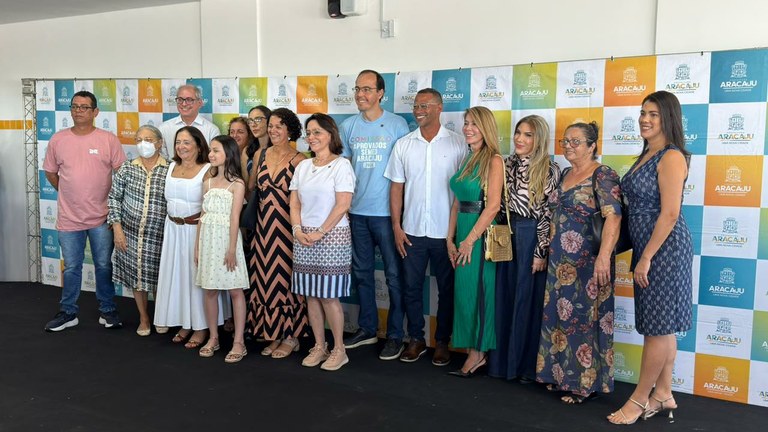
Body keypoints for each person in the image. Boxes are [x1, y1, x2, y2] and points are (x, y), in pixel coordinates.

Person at [608, 90, 692, 424]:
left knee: (657, 328)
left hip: (664, 250)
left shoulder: (671, 156)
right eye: (643, 112)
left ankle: (639, 400)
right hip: (650, 248)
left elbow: (670, 213)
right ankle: (664, 393)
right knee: (662, 325)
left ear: (668, 118)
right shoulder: (648, 153)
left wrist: (646, 258)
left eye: (653, 114)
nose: (645, 119)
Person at [536, 122, 619, 403]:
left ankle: (584, 385)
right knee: (560, 318)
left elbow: (613, 217)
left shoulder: (603, 174)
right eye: (565, 141)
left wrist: (604, 257)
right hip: (560, 262)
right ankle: (560, 377)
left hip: (589, 262)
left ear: (592, 146)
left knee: (584, 320)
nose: (569, 146)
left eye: (576, 141)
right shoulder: (565, 173)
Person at [384, 88, 467, 363]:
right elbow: (396, 188)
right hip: (412, 231)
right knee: (411, 288)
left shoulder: (458, 144)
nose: (418, 110)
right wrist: (396, 226)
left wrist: (454, 235)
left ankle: (442, 342)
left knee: (447, 290)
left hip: (447, 234)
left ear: (439, 107)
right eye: (416, 106)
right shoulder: (404, 145)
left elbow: (463, 192)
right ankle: (416, 339)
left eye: (424, 105)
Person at [43, 90, 126, 332]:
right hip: (69, 219)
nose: (78, 110)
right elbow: (50, 172)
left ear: (95, 112)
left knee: (103, 266)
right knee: (71, 267)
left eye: (84, 107)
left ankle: (108, 310)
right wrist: (69, 192)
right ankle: (68, 312)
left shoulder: (108, 140)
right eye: (74, 106)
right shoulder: (58, 139)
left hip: (102, 217)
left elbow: (121, 174)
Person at [340, 70, 410, 355]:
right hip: (357, 213)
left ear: (381, 93)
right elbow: (343, 171)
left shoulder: (397, 124)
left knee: (394, 277)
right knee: (362, 274)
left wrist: (400, 217)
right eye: (358, 89)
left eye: (367, 89)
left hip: (388, 215)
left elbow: (405, 173)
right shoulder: (348, 126)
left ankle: (395, 335)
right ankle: (368, 329)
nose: (361, 94)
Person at [489, 115, 561, 382]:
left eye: (528, 135)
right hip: (505, 234)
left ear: (538, 139)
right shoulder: (504, 164)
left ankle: (525, 368)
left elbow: (547, 214)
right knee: (504, 297)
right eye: (518, 133)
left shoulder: (550, 168)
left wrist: (540, 251)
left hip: (532, 236)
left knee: (527, 302)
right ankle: (501, 365)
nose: (520, 139)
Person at [290, 113, 356, 371]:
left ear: (331, 134)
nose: (312, 137)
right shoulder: (303, 166)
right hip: (303, 236)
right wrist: (297, 230)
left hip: (332, 237)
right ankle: (320, 346)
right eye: (309, 132)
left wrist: (320, 232)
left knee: (328, 297)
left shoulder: (341, 165)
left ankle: (339, 349)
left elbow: (343, 204)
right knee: (311, 296)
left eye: (317, 131)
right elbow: (295, 203)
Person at [154, 126, 231, 347]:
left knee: (196, 280)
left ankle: (201, 326)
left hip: (196, 231)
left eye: (187, 142)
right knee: (178, 278)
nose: (181, 146)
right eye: (178, 142)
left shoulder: (208, 169)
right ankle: (184, 323)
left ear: (199, 145)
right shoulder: (170, 166)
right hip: (172, 230)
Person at [245, 108, 309, 359]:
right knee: (264, 279)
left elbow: (303, 201)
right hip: (263, 228)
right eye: (270, 125)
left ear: (290, 130)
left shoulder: (299, 160)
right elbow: (252, 187)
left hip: (287, 230)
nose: (273, 130)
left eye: (279, 126)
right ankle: (272, 333)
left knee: (286, 280)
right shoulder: (260, 154)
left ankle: (291, 337)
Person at [445, 106, 504, 377]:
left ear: (486, 128)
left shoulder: (494, 160)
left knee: (479, 293)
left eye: (474, 124)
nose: (468, 128)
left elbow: (492, 207)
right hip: (462, 234)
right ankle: (472, 350)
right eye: (466, 123)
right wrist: (450, 239)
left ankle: (479, 353)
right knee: (465, 295)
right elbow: (457, 203)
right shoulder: (468, 157)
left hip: (479, 236)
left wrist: (469, 241)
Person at [107, 125, 169, 336]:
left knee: (159, 276)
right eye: (139, 139)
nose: (143, 144)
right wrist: (117, 229)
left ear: (159, 143)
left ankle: (161, 315)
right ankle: (144, 317)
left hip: (159, 235)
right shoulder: (127, 168)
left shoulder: (170, 169)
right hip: (130, 235)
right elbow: (114, 198)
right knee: (137, 277)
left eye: (148, 140)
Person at [195, 135, 250, 362]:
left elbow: (235, 218)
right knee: (210, 290)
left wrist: (231, 249)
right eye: (210, 150)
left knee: (235, 290)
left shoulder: (237, 184)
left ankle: (239, 342)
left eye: (216, 150)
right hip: (208, 241)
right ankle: (213, 337)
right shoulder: (207, 181)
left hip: (228, 241)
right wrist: (197, 247)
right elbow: (202, 215)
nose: (211, 154)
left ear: (228, 153)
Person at [159, 84, 220, 158]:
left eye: (189, 100)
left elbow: (215, 158)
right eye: (180, 100)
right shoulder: (164, 128)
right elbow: (162, 158)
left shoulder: (211, 130)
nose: (184, 104)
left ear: (200, 103)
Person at [228, 116, 256, 184]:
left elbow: (250, 186)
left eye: (240, 132)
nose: (235, 135)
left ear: (249, 134)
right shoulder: (226, 155)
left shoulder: (255, 157)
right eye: (232, 132)